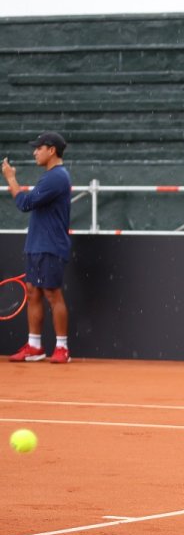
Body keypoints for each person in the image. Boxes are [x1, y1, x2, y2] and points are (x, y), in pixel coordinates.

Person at [5, 132, 73, 364]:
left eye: (38, 148)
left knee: (52, 293)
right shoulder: (50, 177)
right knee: (33, 291)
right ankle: (35, 345)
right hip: (36, 244)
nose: (35, 152)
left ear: (51, 150)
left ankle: (62, 347)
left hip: (50, 245)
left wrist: (10, 178)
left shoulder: (56, 177)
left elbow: (25, 204)